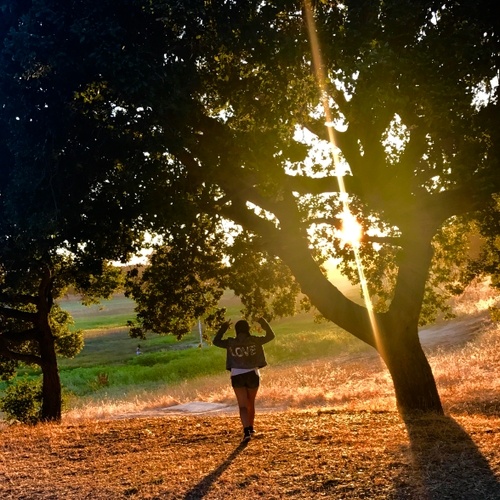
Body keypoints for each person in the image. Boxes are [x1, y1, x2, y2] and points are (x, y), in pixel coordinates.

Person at [213, 317, 275, 442]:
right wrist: (263, 322)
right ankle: (251, 428)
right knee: (250, 402)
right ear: (248, 329)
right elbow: (270, 336)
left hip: (237, 374)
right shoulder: (254, 341)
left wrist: (223, 328)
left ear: (236, 331)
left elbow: (216, 341)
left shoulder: (231, 342)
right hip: (252, 373)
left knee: (242, 406)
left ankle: (246, 430)